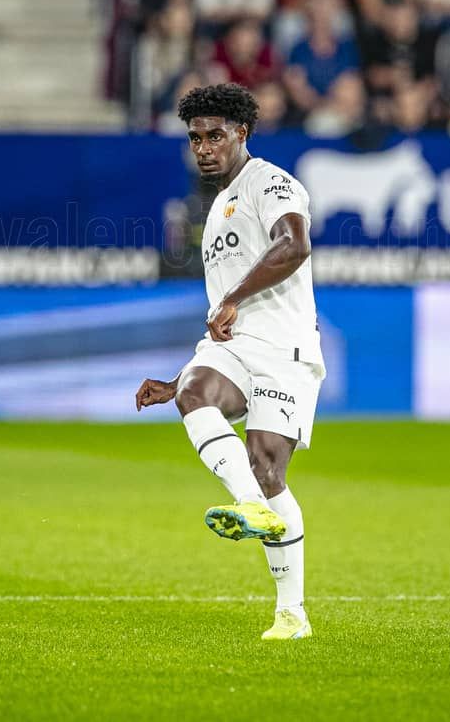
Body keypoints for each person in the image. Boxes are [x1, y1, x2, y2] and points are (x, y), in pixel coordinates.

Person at [134, 83, 323, 642]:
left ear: (242, 133)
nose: (204, 147)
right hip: (234, 347)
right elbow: (222, 309)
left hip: (285, 347)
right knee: (194, 391)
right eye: (195, 138)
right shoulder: (218, 204)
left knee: (269, 471)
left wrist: (236, 298)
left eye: (215, 135)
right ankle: (248, 506)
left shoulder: (269, 181)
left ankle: (292, 613)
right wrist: (175, 382)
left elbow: (295, 245)